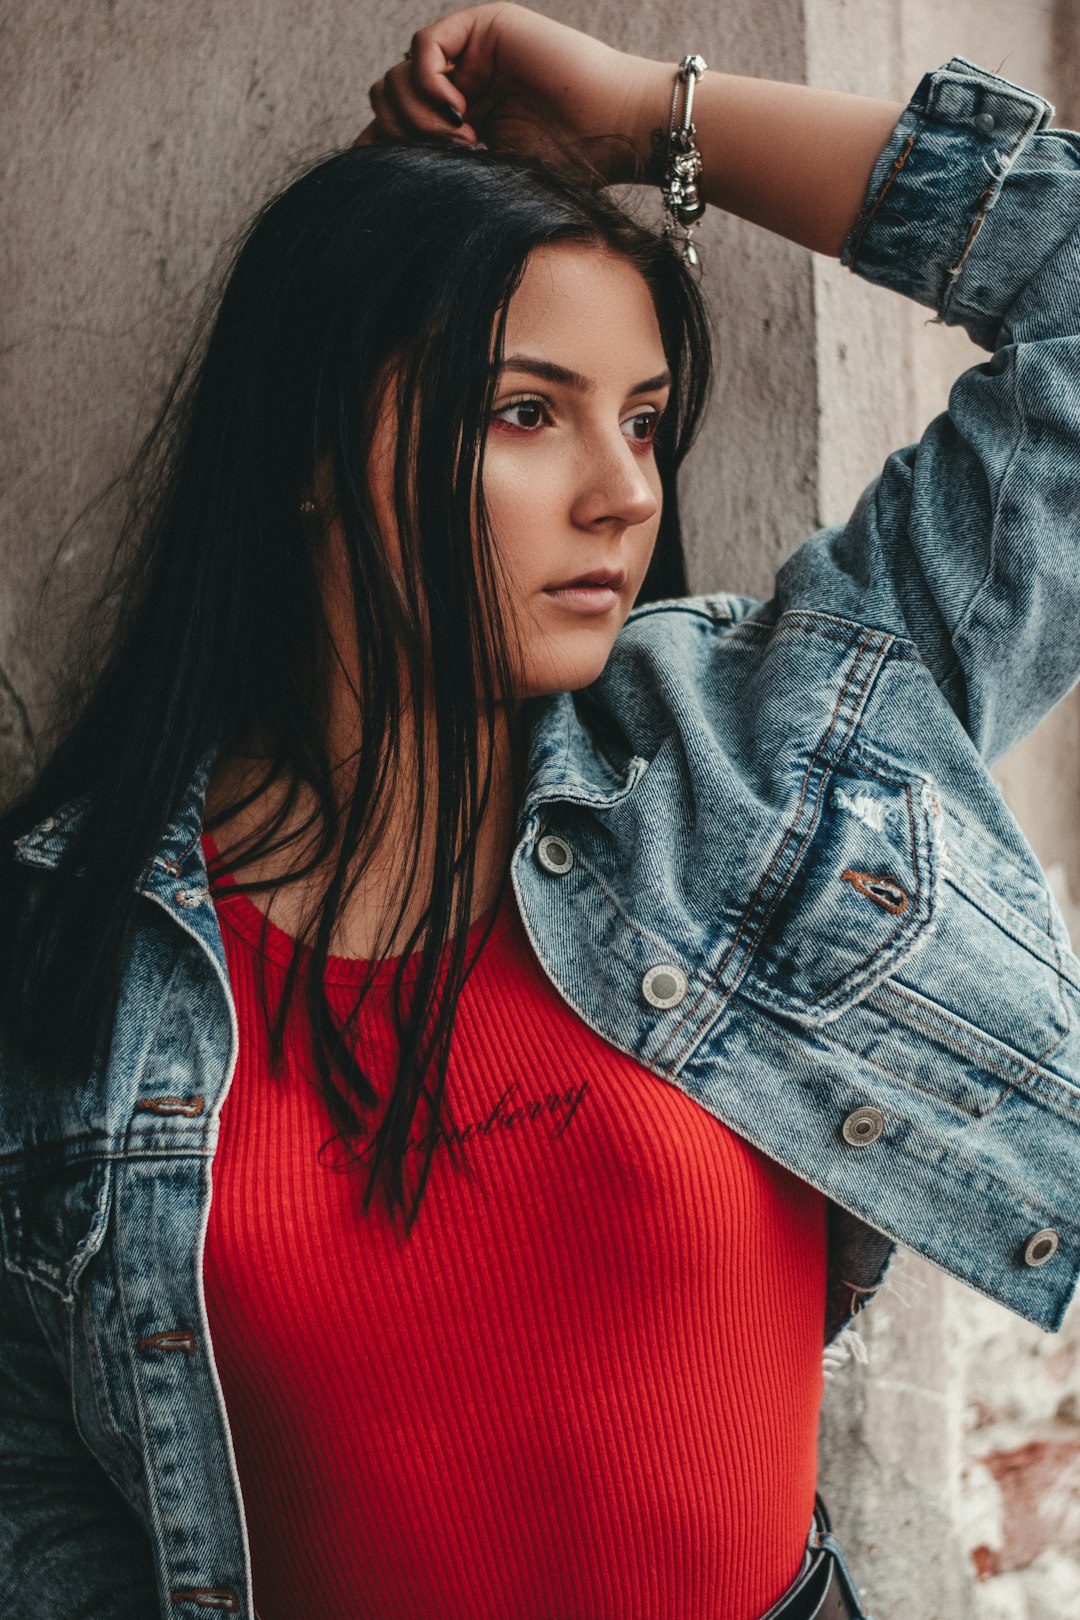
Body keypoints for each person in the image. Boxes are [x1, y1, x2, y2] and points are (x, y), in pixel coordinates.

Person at [1, 3, 1078, 1616]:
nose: (626, 489)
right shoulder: (78, 944)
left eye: (643, 417)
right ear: (309, 443)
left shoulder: (765, 762)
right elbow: (36, 1487)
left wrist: (654, 123)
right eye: (527, 412)